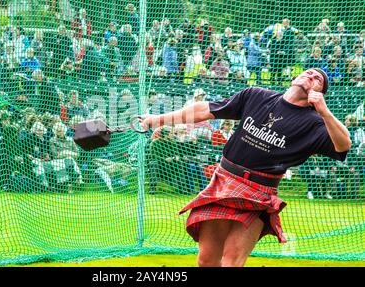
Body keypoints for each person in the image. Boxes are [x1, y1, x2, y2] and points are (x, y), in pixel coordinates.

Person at [139, 67, 351, 267]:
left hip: (259, 193)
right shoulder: (256, 95)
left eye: (318, 80)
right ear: (294, 78)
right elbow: (206, 109)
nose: (312, 75)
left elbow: (343, 145)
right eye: (309, 72)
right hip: (224, 181)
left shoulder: (314, 123)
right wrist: (156, 120)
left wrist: (324, 111)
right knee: (206, 261)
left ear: (319, 93)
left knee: (231, 261)